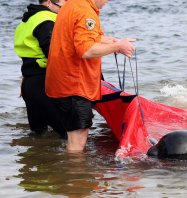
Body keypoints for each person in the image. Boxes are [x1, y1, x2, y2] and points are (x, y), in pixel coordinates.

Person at [45, 0, 136, 152]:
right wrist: (117, 46)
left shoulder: (71, 4)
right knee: (78, 139)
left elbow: (86, 37)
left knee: (75, 134)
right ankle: (77, 174)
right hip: (75, 86)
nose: (109, 1)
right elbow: (86, 50)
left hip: (62, 83)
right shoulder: (85, 11)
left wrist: (113, 42)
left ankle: (71, 171)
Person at [14, 0, 68, 139]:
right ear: (49, 3)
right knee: (68, 134)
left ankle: (35, 157)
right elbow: (52, 53)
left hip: (29, 84)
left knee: (38, 133)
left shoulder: (26, 20)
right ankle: (74, 160)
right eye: (63, 4)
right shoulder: (46, 19)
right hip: (44, 83)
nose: (65, 8)